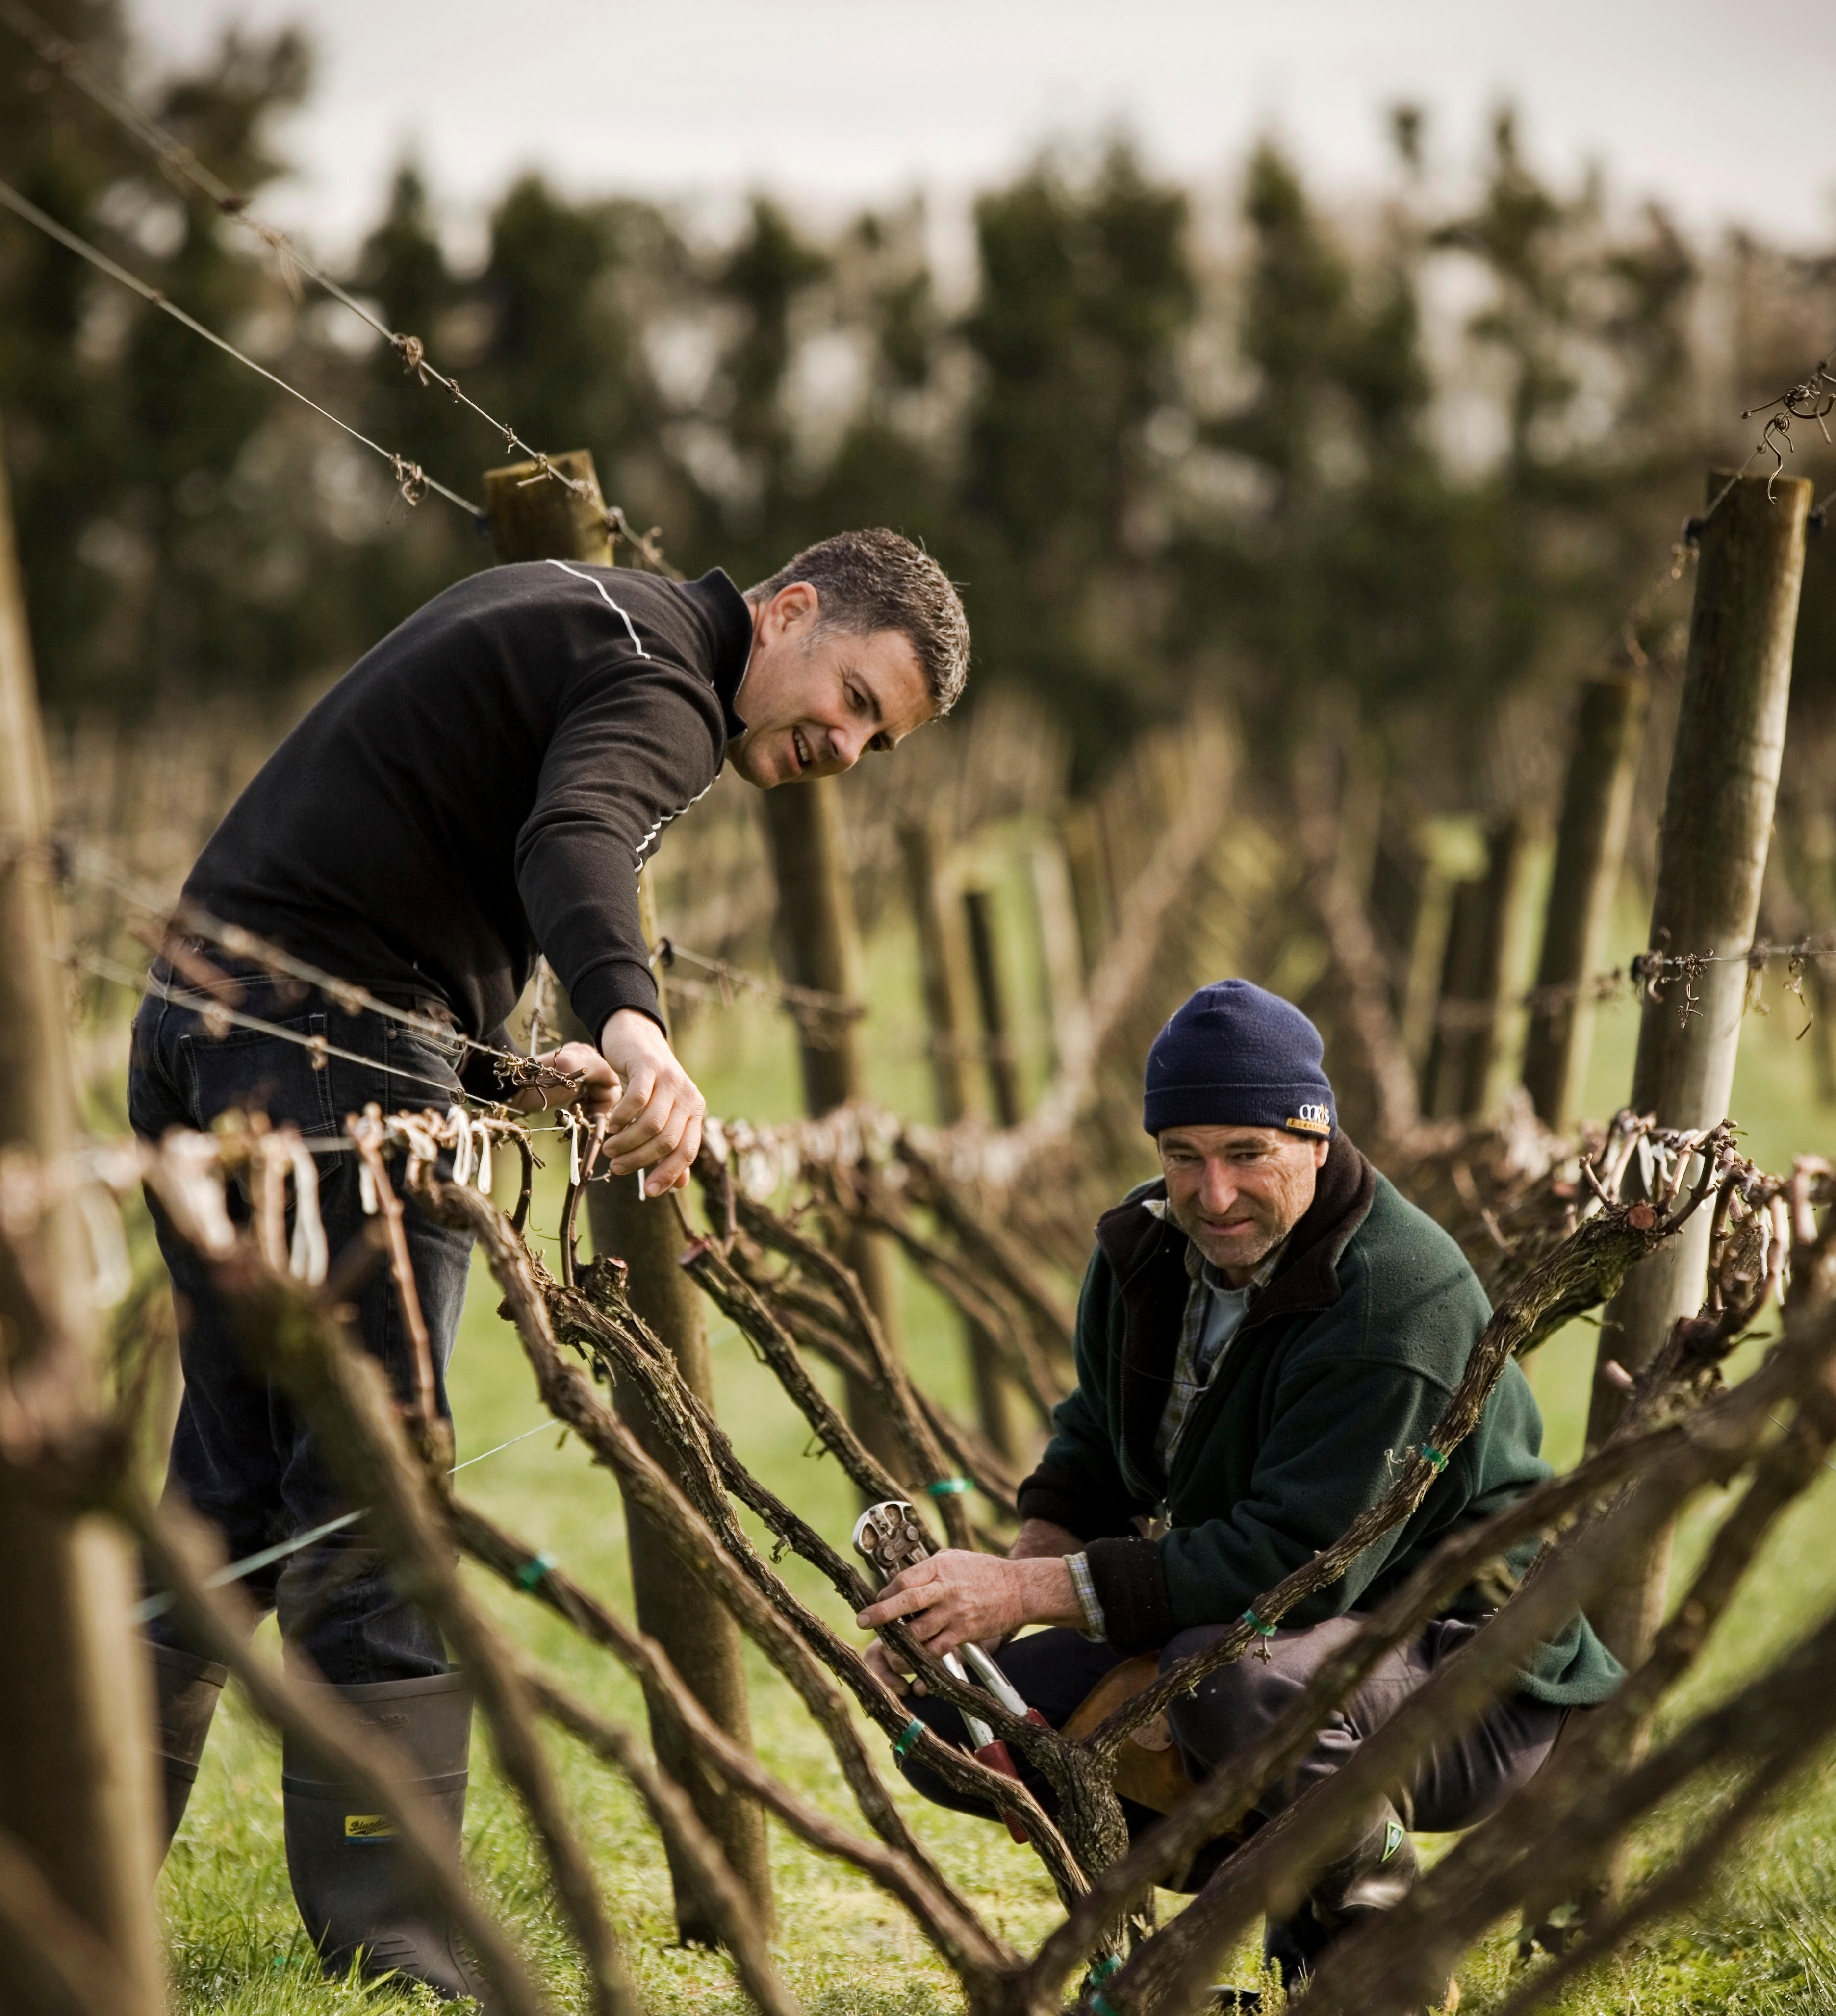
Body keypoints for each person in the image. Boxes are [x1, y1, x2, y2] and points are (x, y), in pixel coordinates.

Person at [131, 528, 969, 2000]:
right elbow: (572, 838)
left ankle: (65, 1853)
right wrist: (637, 1028)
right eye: (848, 697)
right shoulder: (661, 683)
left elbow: (422, 839)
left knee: (235, 1488)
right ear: (786, 612)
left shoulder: (592, 617)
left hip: (209, 1024)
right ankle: (395, 1951)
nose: (844, 746)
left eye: (874, 737)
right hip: (324, 1056)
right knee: (375, 1492)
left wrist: (496, 1059)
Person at [859, 980, 1622, 1999]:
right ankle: (1292, 1893)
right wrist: (998, 1597)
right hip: (1272, 1644)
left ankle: (1376, 1924)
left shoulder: (1399, 1298)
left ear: (1314, 1139)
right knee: (956, 1729)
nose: (1211, 1194)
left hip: (1471, 1674)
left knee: (1222, 1677)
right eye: (1184, 1155)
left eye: (1246, 1153)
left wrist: (1027, 1595)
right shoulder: (1145, 1248)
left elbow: (1294, 1568)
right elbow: (1095, 1442)